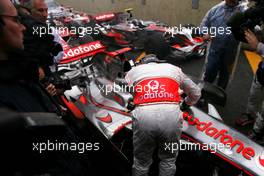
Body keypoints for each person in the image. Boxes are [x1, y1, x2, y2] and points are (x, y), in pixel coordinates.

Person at [125, 55, 201, 176]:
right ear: (158, 62)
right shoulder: (174, 69)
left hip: (144, 116)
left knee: (141, 162)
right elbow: (196, 92)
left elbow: (129, 92)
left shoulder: (132, 72)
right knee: (168, 159)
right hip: (171, 116)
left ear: (142, 64)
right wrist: (185, 104)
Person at [200, 0, 247, 89]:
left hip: (231, 51)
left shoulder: (243, 11)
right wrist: (205, 33)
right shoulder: (215, 10)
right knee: (209, 72)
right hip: (215, 49)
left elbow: (254, 26)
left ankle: (219, 97)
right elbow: (204, 25)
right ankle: (203, 94)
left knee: (224, 75)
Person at [235, 29, 264, 143]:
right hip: (261, 74)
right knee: (253, 97)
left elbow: (259, 48)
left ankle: (258, 132)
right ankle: (250, 115)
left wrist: (258, 46)